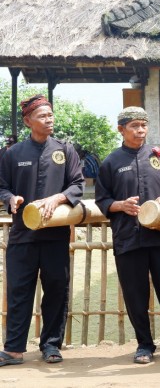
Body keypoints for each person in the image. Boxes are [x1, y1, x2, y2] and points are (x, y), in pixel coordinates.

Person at [95, 107, 160, 364]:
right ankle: (144, 345)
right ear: (121, 129)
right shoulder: (111, 162)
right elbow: (102, 200)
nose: (140, 130)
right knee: (135, 294)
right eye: (134, 126)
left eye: (143, 125)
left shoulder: (159, 156)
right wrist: (121, 205)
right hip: (128, 238)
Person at [0, 95, 84, 367]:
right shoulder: (12, 154)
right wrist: (10, 198)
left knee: (57, 291)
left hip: (55, 237)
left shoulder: (65, 150)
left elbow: (77, 186)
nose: (49, 120)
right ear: (28, 122)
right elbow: (2, 187)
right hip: (22, 236)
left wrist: (57, 198)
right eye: (42, 116)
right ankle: (13, 350)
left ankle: (51, 346)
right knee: (19, 292)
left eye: (51, 115)